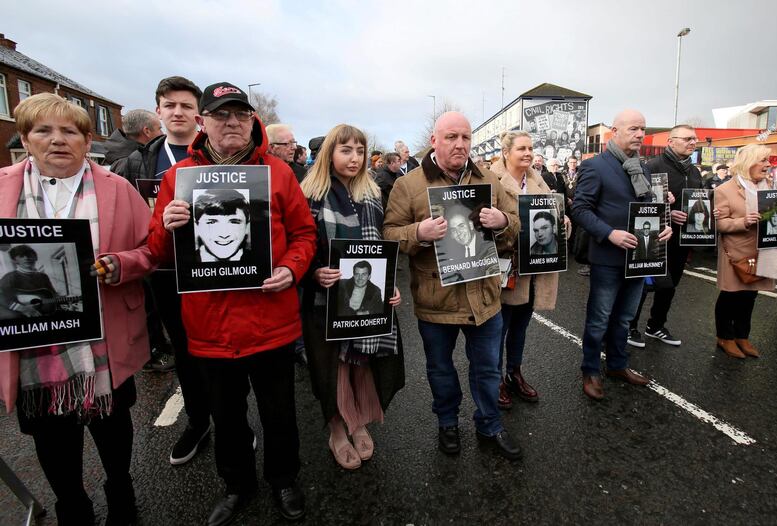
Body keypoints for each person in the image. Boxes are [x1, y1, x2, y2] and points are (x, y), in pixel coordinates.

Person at [148, 82, 316, 523]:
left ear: (252, 121)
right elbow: (159, 254)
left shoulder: (277, 173)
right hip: (211, 328)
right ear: (204, 122)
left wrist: (292, 268)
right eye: (222, 115)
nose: (232, 123)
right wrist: (167, 225)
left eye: (240, 114)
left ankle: (283, 478)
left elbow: (304, 235)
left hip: (271, 320)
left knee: (279, 413)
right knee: (228, 417)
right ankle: (236, 485)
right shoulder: (177, 179)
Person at [0, 93, 156, 525]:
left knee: (111, 424)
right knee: (50, 435)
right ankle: (72, 502)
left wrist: (120, 264)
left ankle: (120, 489)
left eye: (70, 131)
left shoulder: (117, 188)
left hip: (105, 334)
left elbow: (151, 250)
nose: (57, 141)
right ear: (26, 140)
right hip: (34, 344)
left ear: (87, 141)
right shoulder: (1, 186)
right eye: (43, 131)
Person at [384, 111, 523, 460]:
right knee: (441, 369)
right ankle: (447, 423)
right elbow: (389, 234)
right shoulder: (409, 185)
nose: (460, 144)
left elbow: (518, 220)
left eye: (465, 137)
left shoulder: (488, 179)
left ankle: (489, 424)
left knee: (488, 368)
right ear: (434, 140)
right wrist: (419, 232)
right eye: (451, 137)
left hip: (484, 298)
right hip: (437, 299)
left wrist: (503, 220)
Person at [300, 124, 404, 471]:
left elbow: (381, 248)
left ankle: (357, 420)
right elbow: (297, 246)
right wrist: (315, 272)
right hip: (324, 302)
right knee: (331, 369)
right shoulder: (310, 195)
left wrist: (389, 284)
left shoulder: (372, 193)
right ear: (330, 153)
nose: (355, 158)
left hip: (366, 300)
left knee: (361, 364)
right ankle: (336, 429)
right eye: (346, 150)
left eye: (360, 151)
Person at [122, 76, 210, 460]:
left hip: (215, 267)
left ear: (199, 115)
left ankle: (234, 423)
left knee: (225, 352)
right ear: (158, 112)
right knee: (187, 352)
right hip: (166, 272)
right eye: (170, 105)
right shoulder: (138, 161)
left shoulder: (219, 154)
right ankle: (197, 421)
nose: (178, 112)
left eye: (186, 106)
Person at [571, 109, 672, 400]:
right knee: (600, 318)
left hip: (641, 257)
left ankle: (617, 365)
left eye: (643, 129)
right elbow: (580, 209)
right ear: (615, 131)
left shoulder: (645, 168)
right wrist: (609, 233)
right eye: (634, 129)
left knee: (625, 318)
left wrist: (663, 228)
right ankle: (590, 370)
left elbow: (650, 208)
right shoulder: (596, 166)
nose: (640, 134)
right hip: (608, 258)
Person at [490, 130, 568, 409]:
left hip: (536, 268)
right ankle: (495, 378)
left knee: (521, 326)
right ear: (506, 152)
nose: (527, 153)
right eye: (521, 148)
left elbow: (552, 214)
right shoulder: (493, 180)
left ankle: (514, 372)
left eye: (530, 148)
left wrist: (563, 224)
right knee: (500, 327)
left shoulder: (539, 181)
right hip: (506, 268)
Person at [714, 144, 777, 359]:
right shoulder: (725, 190)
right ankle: (725, 337)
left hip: (762, 251)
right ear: (748, 162)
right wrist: (744, 221)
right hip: (736, 252)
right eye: (762, 160)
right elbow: (720, 224)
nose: (768, 164)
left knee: (750, 296)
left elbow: (776, 217)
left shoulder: (769, 188)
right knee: (731, 296)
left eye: (767, 160)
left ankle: (742, 336)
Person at [627, 124, 703, 349]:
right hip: (656, 236)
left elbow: (698, 201)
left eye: (695, 139)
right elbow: (640, 203)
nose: (693, 142)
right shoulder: (652, 166)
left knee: (670, 286)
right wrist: (670, 214)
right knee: (643, 284)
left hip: (683, 239)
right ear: (671, 141)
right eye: (688, 138)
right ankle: (630, 326)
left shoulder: (694, 170)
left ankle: (656, 325)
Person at [0, 245, 62, 319]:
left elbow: (53, 295)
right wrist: (23, 308)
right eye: (21, 256)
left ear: (35, 258)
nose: (26, 258)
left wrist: (63, 301)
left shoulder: (43, 276)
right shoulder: (10, 277)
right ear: (14, 260)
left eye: (29, 254)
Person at [193, 189, 251, 263]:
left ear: (246, 226)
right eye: (212, 222)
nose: (224, 234)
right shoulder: (184, 263)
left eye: (234, 222)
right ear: (197, 226)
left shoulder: (263, 263)